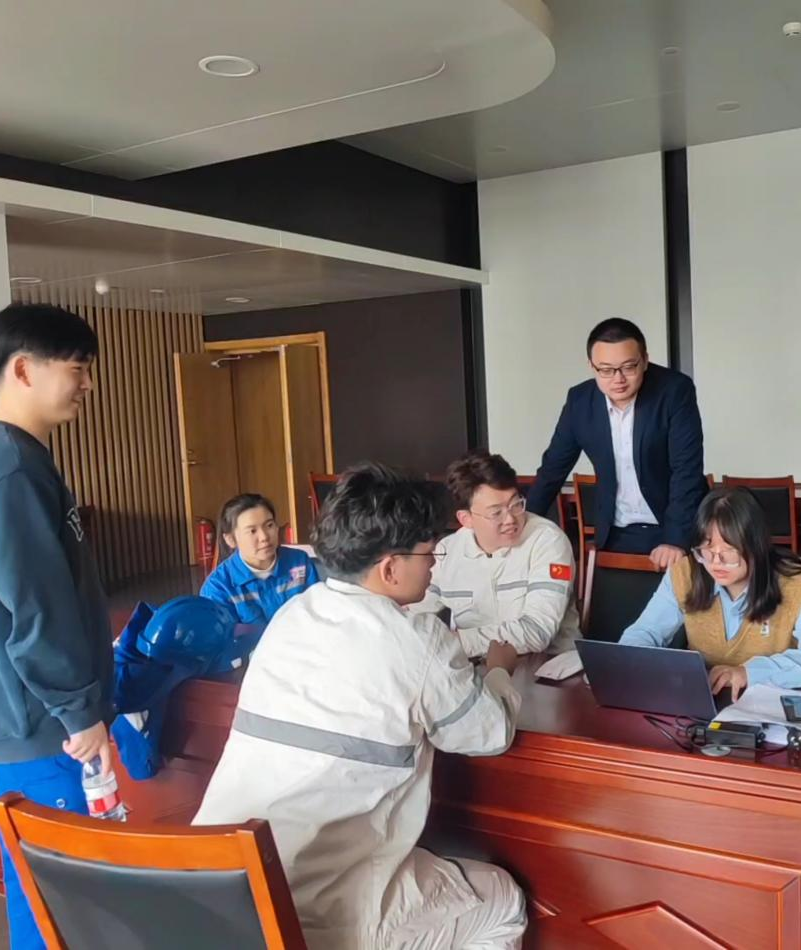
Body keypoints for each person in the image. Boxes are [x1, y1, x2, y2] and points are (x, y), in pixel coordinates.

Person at [194, 464, 527, 949]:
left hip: (221, 898)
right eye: (429, 554)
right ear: (390, 569)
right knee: (501, 900)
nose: (434, 566)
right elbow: (489, 733)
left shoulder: (291, 615)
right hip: (318, 916)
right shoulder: (418, 639)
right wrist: (499, 671)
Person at [0, 303, 113, 950]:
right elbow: (36, 612)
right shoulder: (11, 471)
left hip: (39, 722)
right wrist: (79, 712)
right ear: (23, 369)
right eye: (77, 368)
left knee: (50, 892)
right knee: (58, 901)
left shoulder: (15, 457)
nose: (87, 384)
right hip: (46, 727)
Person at [619, 488, 801, 698]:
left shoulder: (799, 584)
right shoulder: (685, 572)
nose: (716, 562)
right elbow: (645, 633)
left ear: (756, 546)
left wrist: (749, 673)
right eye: (707, 549)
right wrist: (626, 661)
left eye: (729, 550)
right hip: (703, 700)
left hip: (770, 704)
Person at [525, 318, 706, 570]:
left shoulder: (674, 391)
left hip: (671, 527)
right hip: (615, 531)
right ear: (591, 366)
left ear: (645, 360)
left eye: (628, 367)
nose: (618, 379)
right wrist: (523, 524)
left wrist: (675, 540)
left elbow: (686, 470)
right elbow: (552, 469)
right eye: (606, 370)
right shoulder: (580, 401)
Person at [410, 449, 580, 657]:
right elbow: (414, 616)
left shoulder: (547, 540)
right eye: (496, 512)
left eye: (516, 504)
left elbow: (537, 632)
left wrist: (449, 643)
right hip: (475, 666)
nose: (510, 519)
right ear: (466, 519)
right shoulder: (447, 551)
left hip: (547, 666)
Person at [199, 493, 319, 624]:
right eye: (252, 531)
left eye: (269, 525)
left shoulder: (299, 562)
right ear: (230, 539)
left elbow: (319, 611)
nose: (264, 537)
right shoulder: (218, 587)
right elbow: (223, 635)